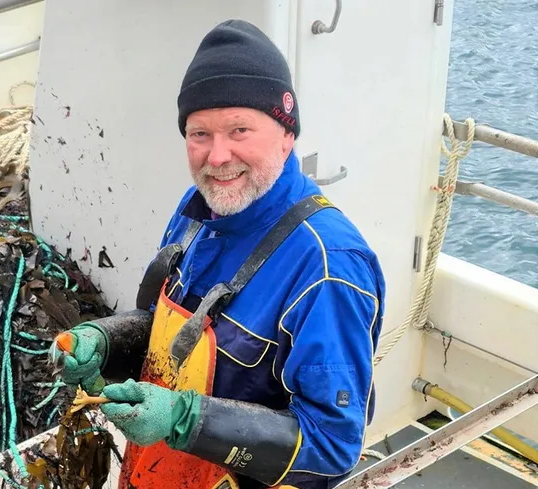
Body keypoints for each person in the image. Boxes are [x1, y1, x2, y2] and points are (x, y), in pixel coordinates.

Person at [51, 19, 386, 489]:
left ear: (287, 134)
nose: (217, 156)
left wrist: (186, 420)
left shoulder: (328, 266)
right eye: (199, 133)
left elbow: (333, 445)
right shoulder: (195, 215)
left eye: (240, 129)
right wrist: (105, 343)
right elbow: (172, 340)